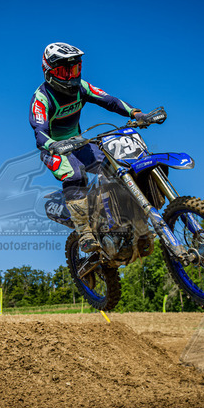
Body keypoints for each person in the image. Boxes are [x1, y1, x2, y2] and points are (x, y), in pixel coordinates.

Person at [29, 42, 146, 252]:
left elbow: (109, 100)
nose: (71, 76)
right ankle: (84, 233)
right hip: (53, 149)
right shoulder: (42, 97)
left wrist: (135, 113)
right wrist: (53, 145)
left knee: (117, 163)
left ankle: (123, 217)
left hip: (78, 143)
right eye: (64, 71)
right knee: (74, 174)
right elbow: (40, 132)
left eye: (75, 69)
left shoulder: (82, 87)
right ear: (49, 72)